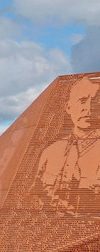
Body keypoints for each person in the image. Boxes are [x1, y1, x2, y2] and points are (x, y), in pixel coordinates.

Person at [34, 75, 100, 211]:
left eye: (95, 102)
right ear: (68, 107)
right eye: (82, 101)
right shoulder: (50, 152)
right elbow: (38, 196)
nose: (88, 108)